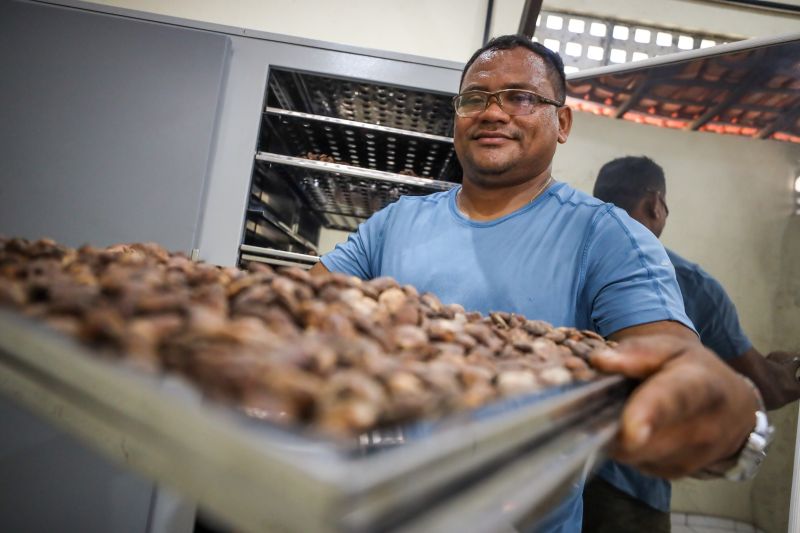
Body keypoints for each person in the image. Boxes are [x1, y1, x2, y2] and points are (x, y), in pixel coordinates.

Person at [310, 34, 762, 532]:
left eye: (521, 98)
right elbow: (304, 309)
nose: (492, 113)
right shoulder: (396, 222)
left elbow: (669, 357)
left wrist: (719, 409)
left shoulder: (606, 237)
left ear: (561, 122)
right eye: (475, 98)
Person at [584, 155, 800, 532]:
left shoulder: (568, 261)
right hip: (626, 485)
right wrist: (786, 370)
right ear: (656, 203)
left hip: (552, 472)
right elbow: (766, 387)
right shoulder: (690, 283)